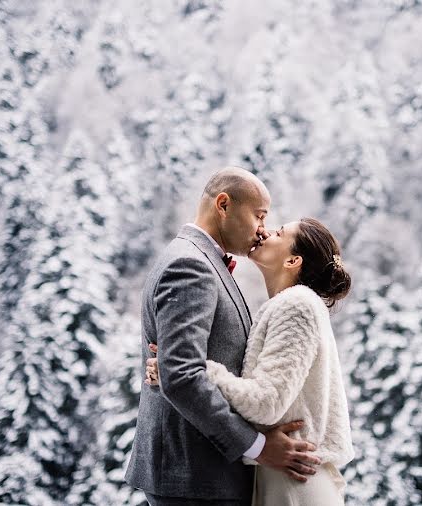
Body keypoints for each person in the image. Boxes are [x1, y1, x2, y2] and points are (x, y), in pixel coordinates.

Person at [124, 167, 322, 506]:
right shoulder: (191, 265)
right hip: (196, 477)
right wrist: (259, 447)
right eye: (260, 216)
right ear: (224, 204)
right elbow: (183, 376)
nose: (262, 229)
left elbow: (183, 368)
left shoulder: (198, 260)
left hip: (203, 476)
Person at [146, 217, 355, 505]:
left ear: (293, 260)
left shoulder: (297, 305)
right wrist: (172, 366)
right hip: (287, 476)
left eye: (279, 233)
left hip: (294, 482)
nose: (265, 231)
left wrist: (196, 368)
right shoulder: (289, 305)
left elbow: (265, 404)